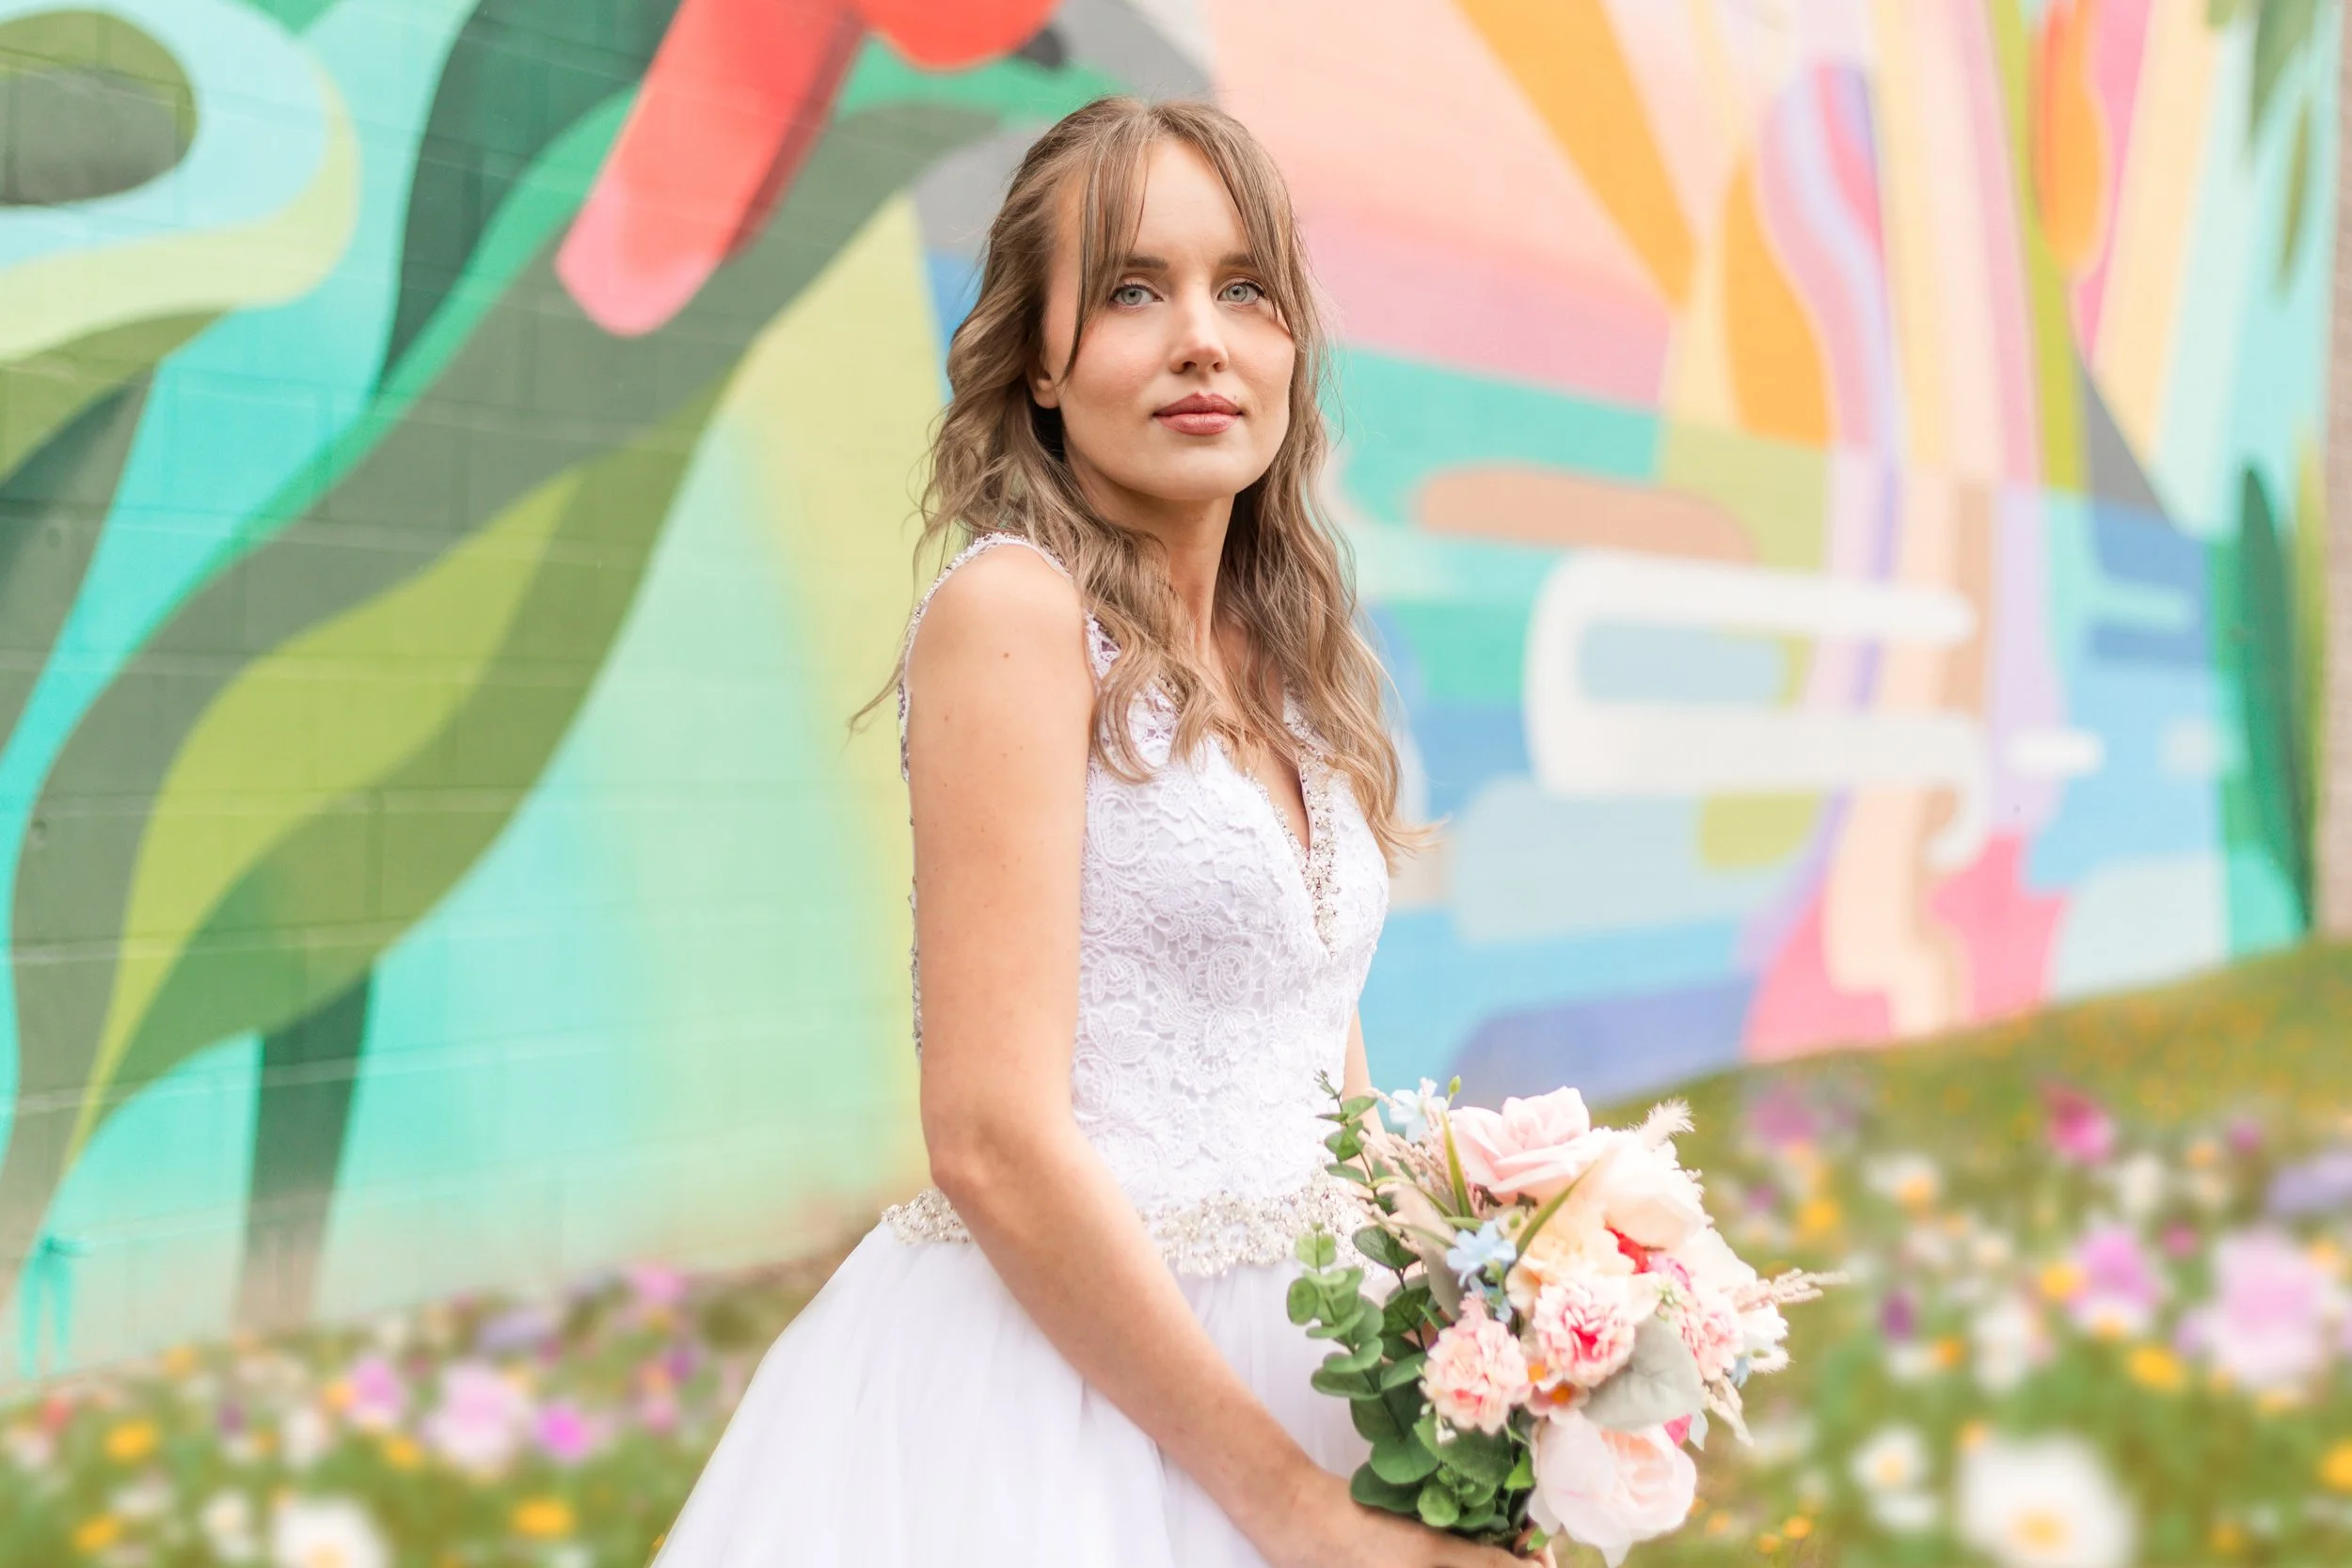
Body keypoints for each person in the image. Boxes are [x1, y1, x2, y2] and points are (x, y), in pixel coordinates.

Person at [650, 96, 1533, 1568]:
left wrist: (1489, 1331)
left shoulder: (1285, 662)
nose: (1201, 339)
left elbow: (1318, 1062)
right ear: (1043, 364)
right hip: (1069, 1404)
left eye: (1244, 289)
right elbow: (990, 1134)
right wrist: (1289, 1506)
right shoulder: (1017, 614)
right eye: (1132, 290)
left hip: (1315, 1357)